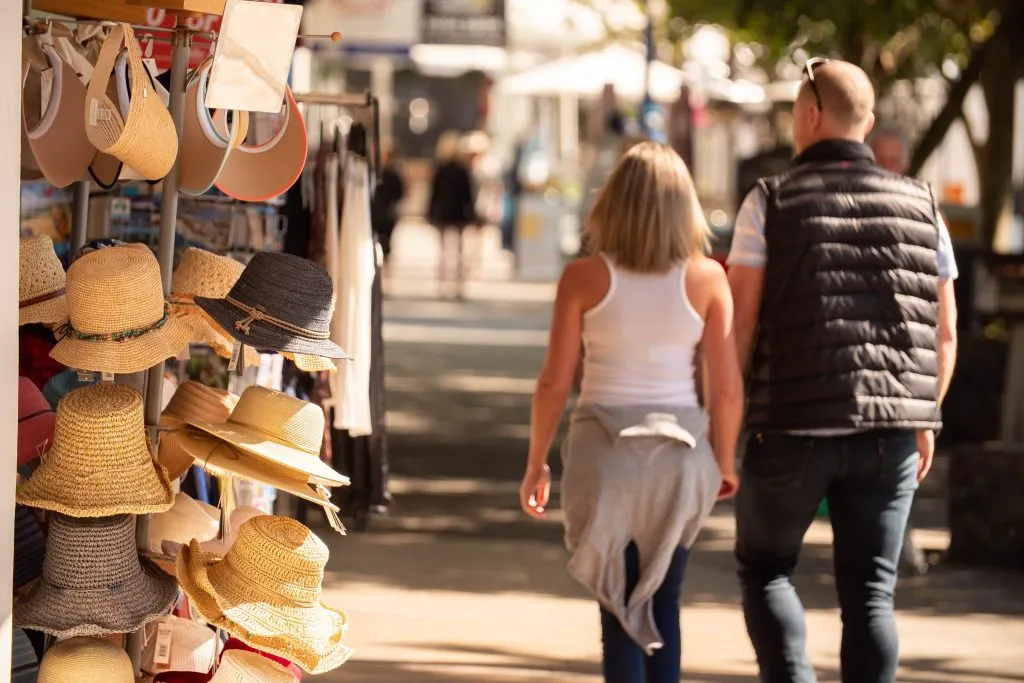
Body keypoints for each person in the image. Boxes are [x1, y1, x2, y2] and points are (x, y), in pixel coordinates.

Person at [727, 59, 959, 683]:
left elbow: (738, 326)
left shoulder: (768, 202)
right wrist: (926, 413)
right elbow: (944, 330)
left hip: (793, 425)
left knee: (767, 568)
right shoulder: (923, 204)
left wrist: (724, 422)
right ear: (868, 122)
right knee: (871, 596)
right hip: (892, 437)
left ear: (809, 115)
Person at [519, 141, 745, 683]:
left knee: (617, 611)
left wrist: (536, 462)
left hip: (605, 454)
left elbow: (554, 380)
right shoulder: (710, 279)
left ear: (612, 202)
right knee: (664, 605)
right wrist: (726, 461)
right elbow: (728, 386)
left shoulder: (583, 278)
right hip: (682, 456)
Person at [868, 127, 933, 577]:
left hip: (906, 376)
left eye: (896, 159)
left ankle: (898, 545)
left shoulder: (923, 211)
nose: (890, 168)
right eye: (882, 158)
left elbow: (939, 320)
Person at [427, 130, 477, 300]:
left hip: (443, 212)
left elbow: (434, 194)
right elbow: (468, 195)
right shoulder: (462, 170)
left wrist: (431, 212)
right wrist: (471, 213)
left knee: (443, 251)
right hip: (458, 213)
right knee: (458, 252)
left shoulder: (441, 169)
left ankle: (442, 286)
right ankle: (457, 286)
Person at [370, 144, 405, 266]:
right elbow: (399, 193)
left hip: (380, 209)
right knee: (387, 234)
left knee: (380, 234)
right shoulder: (394, 174)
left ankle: (381, 253)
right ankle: (385, 254)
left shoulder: (380, 173)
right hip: (389, 210)